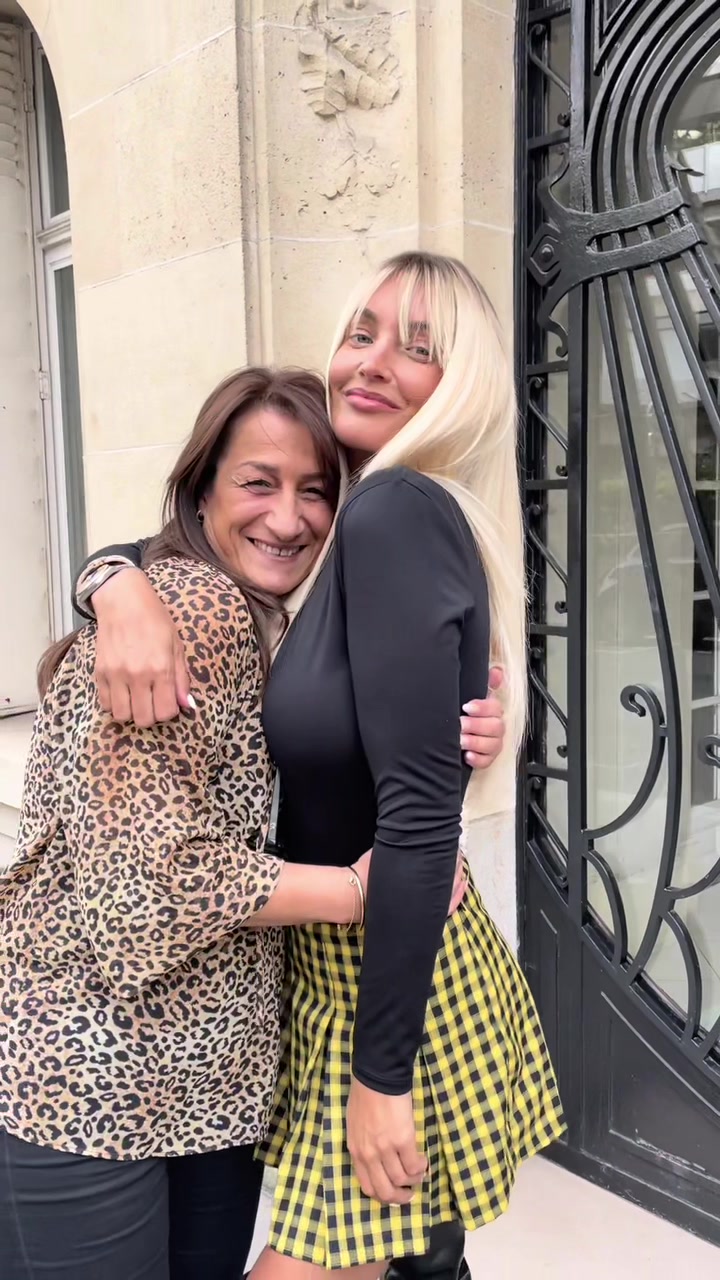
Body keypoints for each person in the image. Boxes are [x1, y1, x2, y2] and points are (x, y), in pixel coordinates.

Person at [77, 252, 564, 1280]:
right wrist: (112, 581)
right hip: (357, 962)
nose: (374, 361)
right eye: (361, 333)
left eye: (419, 347)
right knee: (422, 1258)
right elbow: (187, 533)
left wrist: (382, 1076)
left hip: (390, 986)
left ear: (463, 384)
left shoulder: (394, 514)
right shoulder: (361, 523)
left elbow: (419, 817)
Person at [0, 366, 499, 1280]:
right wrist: (357, 891)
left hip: (206, 1081)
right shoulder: (198, 608)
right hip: (91, 1082)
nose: (289, 517)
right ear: (203, 492)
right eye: (258, 483)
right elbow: (140, 894)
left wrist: (461, 728)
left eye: (317, 490)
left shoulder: (267, 620)